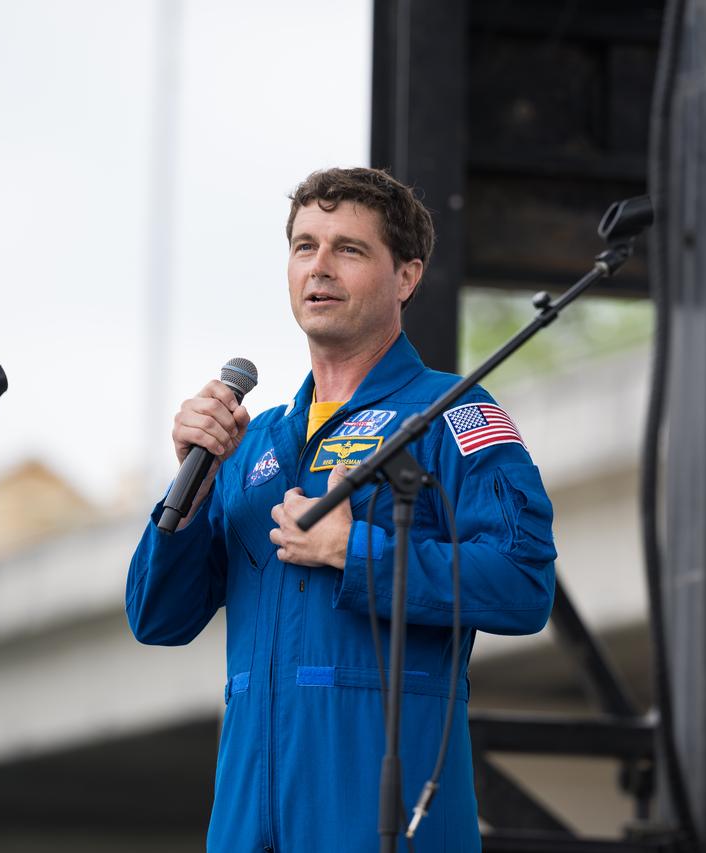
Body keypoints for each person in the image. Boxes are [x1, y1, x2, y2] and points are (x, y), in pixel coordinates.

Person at [126, 167, 557, 852]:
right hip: (247, 821)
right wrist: (197, 482)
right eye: (304, 247)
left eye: (348, 249)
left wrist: (351, 552)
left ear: (407, 276)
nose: (319, 267)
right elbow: (158, 617)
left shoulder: (454, 413)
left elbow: (525, 584)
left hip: (378, 820)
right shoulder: (252, 438)